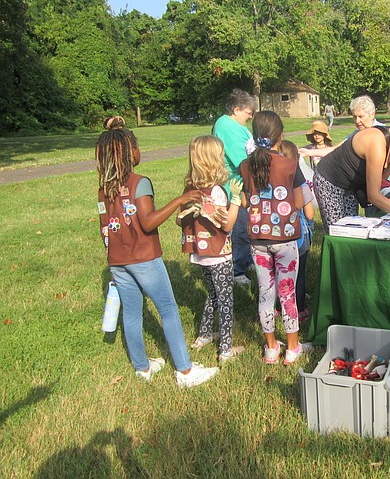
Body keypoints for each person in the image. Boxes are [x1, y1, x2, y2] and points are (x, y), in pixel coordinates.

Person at [95, 116, 219, 387]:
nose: (140, 151)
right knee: (168, 309)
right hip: (144, 258)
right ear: (130, 153)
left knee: (131, 312)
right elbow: (148, 221)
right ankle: (185, 372)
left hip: (118, 261)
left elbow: (105, 226)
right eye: (137, 146)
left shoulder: (104, 189)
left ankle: (142, 367)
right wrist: (180, 200)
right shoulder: (140, 182)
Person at [239, 111, 310, 365]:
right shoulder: (290, 165)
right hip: (285, 238)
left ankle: (271, 347)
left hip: (258, 239)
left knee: (265, 293)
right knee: (287, 292)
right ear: (280, 136)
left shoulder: (246, 165)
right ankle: (292, 347)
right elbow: (300, 202)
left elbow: (246, 201)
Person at [176, 135, 246, 365]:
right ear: (215, 160)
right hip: (219, 254)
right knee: (225, 298)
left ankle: (204, 335)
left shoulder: (190, 189)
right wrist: (235, 200)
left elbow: (180, 219)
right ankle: (225, 349)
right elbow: (226, 224)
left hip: (200, 253)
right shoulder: (216, 192)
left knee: (213, 293)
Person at [313, 112, 390, 230]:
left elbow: (380, 180)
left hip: (350, 185)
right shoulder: (377, 143)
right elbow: (373, 196)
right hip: (329, 181)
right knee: (338, 230)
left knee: (352, 230)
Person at [212, 89, 257, 286]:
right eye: (248, 112)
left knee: (245, 224)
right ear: (236, 109)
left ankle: (246, 260)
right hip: (233, 186)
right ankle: (236, 270)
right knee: (239, 226)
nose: (250, 116)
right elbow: (242, 161)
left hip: (241, 183)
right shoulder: (227, 126)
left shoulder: (235, 124)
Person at [279, 140, 315, 323]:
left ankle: (279, 306)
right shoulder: (301, 184)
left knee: (280, 271)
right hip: (299, 236)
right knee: (298, 274)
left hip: (277, 235)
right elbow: (309, 213)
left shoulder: (272, 182)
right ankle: (299, 309)